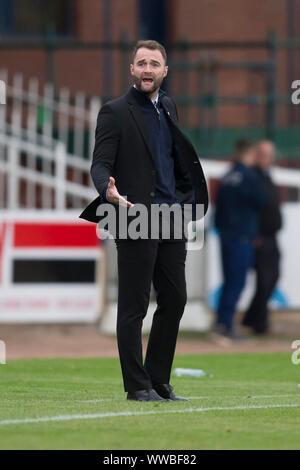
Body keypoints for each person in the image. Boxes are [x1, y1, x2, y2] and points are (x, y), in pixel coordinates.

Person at [79, 40, 208, 401]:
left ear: (165, 71)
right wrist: (108, 190)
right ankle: (138, 386)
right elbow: (100, 163)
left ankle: (158, 380)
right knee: (134, 304)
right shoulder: (114, 112)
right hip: (133, 214)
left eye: (154, 64)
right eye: (141, 63)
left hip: (171, 216)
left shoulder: (168, 107)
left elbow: (173, 160)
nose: (147, 69)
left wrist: (186, 197)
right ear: (131, 70)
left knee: (175, 298)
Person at [213, 139, 267, 342]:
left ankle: (222, 322)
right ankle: (225, 326)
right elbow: (263, 200)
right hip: (242, 236)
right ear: (249, 153)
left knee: (229, 281)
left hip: (226, 234)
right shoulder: (249, 176)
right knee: (237, 282)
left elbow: (219, 206)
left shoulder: (228, 175)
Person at [242, 140, 282, 335]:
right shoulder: (252, 177)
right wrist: (255, 233)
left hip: (272, 236)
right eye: (263, 154)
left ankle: (253, 318)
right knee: (265, 280)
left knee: (272, 278)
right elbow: (250, 207)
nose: (266, 158)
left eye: (269, 154)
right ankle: (258, 323)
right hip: (260, 237)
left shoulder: (266, 176)